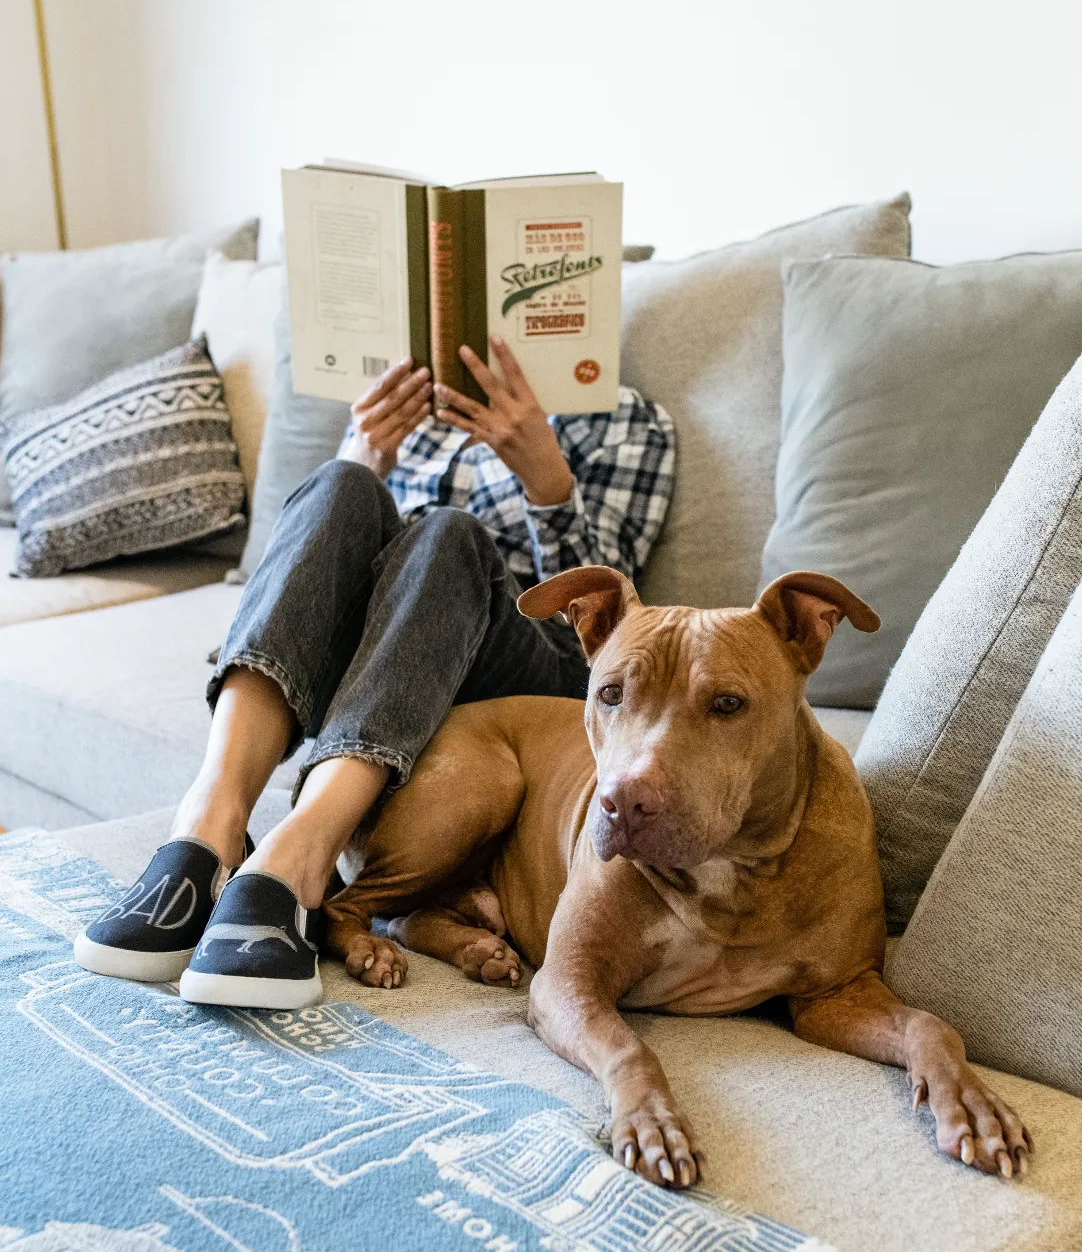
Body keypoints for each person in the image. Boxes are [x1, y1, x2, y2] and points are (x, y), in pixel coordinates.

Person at [73, 337, 675, 1008]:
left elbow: (625, 626)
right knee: (340, 482)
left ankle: (301, 856)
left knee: (450, 534)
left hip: (528, 676)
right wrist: (365, 453)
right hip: (388, 674)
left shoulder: (626, 421)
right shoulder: (408, 406)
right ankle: (208, 828)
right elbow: (322, 584)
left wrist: (547, 480)